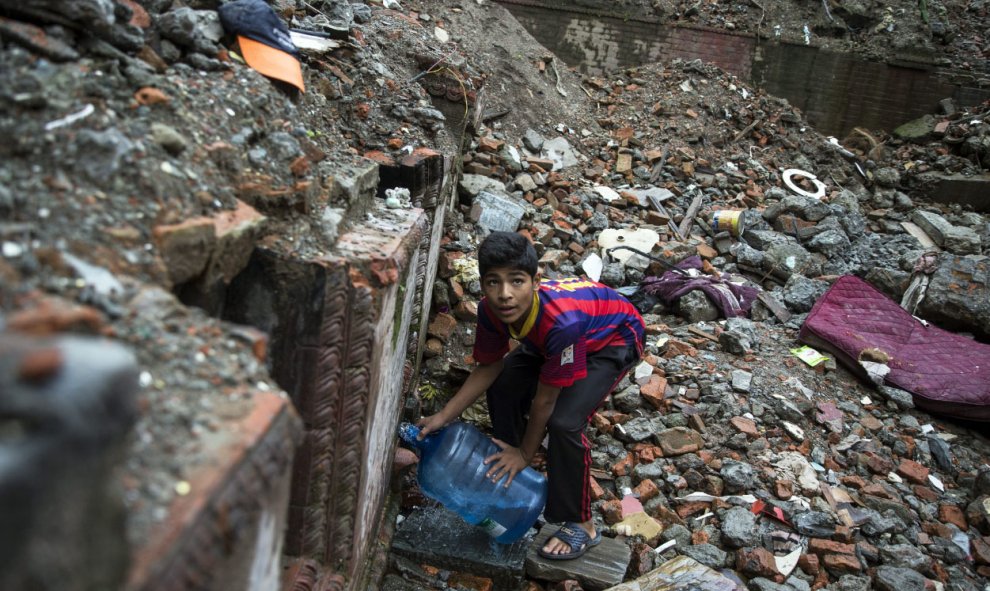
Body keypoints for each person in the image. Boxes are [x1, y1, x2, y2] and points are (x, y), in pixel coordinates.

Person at [417, 230, 645, 560]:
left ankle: (582, 524)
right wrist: (442, 417)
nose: (504, 294)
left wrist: (527, 452)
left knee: (565, 423)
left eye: (516, 281)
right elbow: (488, 367)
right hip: (552, 340)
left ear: (536, 281)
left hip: (612, 339)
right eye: (493, 282)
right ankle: (510, 471)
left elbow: (546, 400)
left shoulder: (562, 323)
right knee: (504, 383)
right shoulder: (490, 311)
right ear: (482, 285)